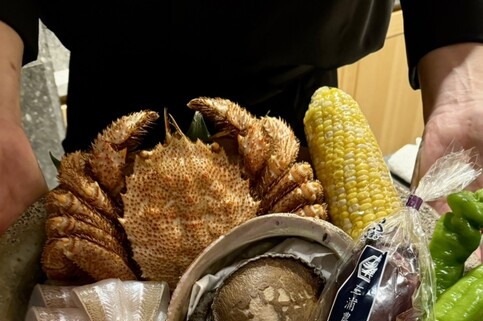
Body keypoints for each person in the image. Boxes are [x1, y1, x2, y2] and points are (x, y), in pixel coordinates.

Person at [1, 1, 483, 236]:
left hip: (288, 108)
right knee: (71, 242)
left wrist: (463, 97)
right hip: (115, 108)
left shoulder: (292, 184)